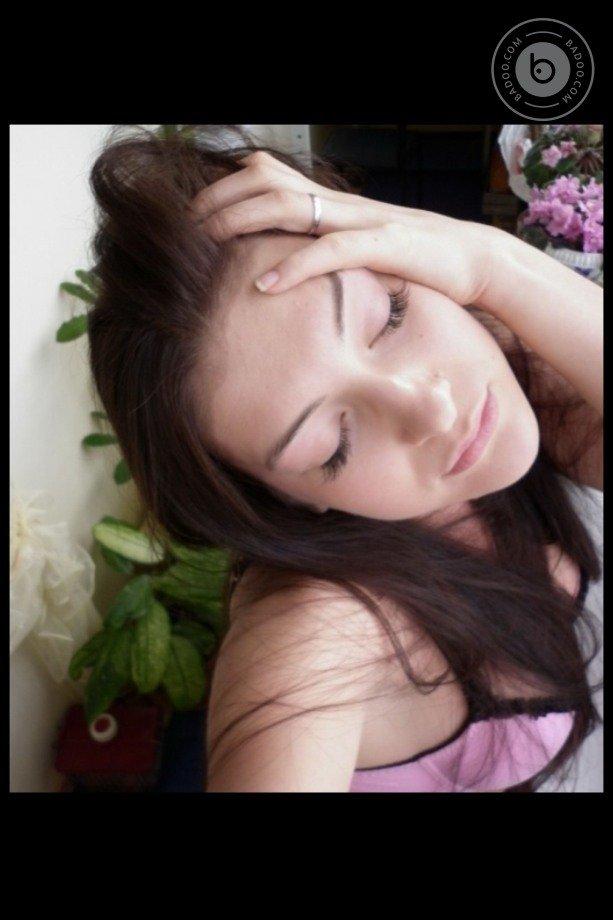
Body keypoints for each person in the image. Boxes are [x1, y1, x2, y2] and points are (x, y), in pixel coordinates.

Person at [87, 126, 602, 793]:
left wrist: (490, 262)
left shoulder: (519, 362)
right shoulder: (315, 637)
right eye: (332, 446)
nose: (430, 409)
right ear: (285, 500)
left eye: (389, 316)